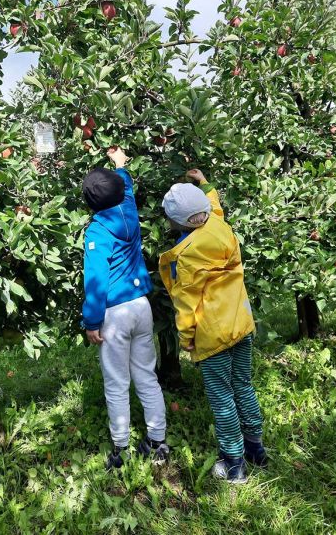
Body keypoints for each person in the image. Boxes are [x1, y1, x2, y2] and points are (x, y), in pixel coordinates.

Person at [159, 169, 266, 484]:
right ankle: (256, 449)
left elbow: (186, 304)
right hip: (241, 323)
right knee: (243, 386)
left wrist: (187, 338)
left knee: (222, 398)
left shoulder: (188, 255)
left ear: (177, 223)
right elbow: (213, 202)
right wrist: (204, 182)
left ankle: (234, 465)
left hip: (213, 335)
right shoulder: (219, 224)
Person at [81, 146, 169, 470]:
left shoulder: (97, 231)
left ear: (90, 205)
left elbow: (95, 282)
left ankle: (120, 450)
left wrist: (91, 322)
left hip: (115, 314)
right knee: (146, 374)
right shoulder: (128, 210)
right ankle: (158, 442)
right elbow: (126, 185)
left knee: (116, 381)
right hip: (141, 306)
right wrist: (119, 164)